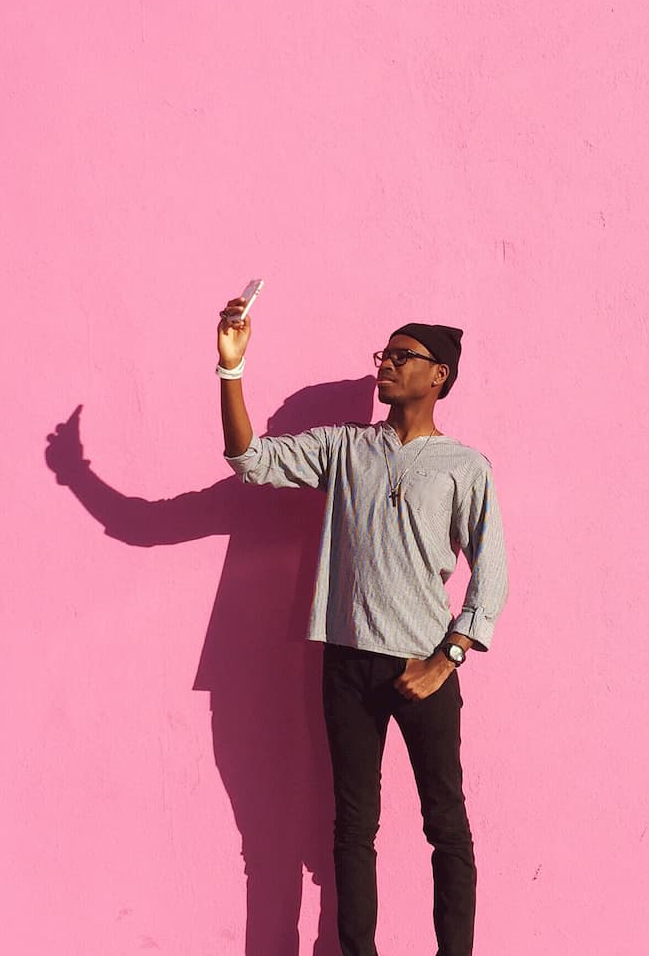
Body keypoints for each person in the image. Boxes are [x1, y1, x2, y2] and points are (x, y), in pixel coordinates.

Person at [216, 295, 509, 956]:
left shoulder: (465, 467)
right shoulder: (345, 448)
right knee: (352, 827)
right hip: (346, 662)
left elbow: (492, 571)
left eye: (402, 356)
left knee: (446, 824)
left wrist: (448, 658)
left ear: (438, 376)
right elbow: (250, 461)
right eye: (384, 355)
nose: (386, 365)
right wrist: (230, 372)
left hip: (424, 665)